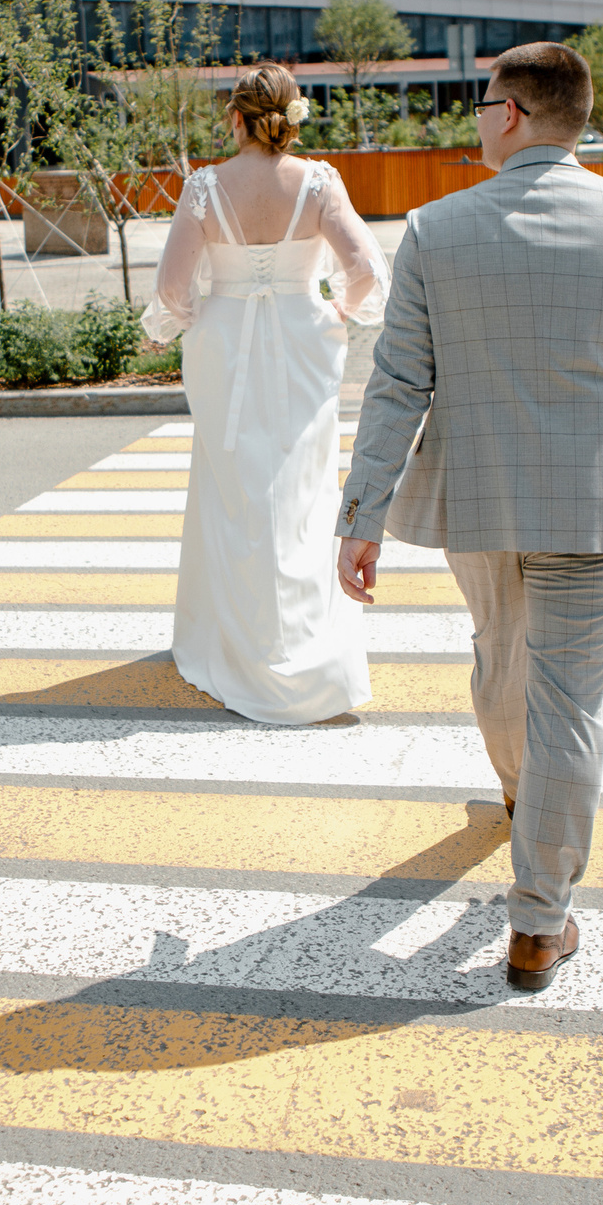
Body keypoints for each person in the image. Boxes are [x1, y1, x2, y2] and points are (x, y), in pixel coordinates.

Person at [334, 41, 603, 993]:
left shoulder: (435, 230)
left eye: (482, 104)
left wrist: (362, 514)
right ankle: (540, 922)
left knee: (500, 658)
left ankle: (522, 798)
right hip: (600, 502)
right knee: (569, 699)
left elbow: (397, 383)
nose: (477, 120)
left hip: (477, 497)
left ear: (509, 112)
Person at [146, 62, 390, 725]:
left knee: (232, 485)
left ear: (236, 117)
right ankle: (304, 641)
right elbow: (365, 268)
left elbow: (171, 287)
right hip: (301, 341)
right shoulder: (318, 182)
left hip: (224, 345)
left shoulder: (205, 186)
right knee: (301, 486)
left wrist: (200, 315)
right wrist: (338, 309)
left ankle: (235, 641)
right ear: (291, 116)